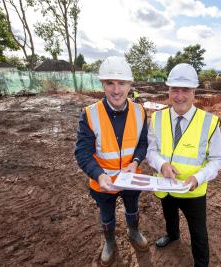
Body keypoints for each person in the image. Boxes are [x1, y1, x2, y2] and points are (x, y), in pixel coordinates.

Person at [146, 63, 221, 267]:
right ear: (169, 91)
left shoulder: (209, 122)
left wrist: (198, 178)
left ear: (194, 92)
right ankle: (172, 235)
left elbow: (218, 159)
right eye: (175, 89)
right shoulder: (157, 118)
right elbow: (151, 151)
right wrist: (162, 165)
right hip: (165, 186)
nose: (179, 95)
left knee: (198, 232)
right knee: (169, 215)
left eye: (185, 90)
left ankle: (201, 264)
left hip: (193, 191)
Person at [75, 56, 149, 266]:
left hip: (130, 177)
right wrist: (99, 175)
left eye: (122, 83)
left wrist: (135, 163)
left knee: (132, 207)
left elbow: (143, 143)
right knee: (106, 214)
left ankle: (133, 232)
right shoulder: (89, 114)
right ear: (103, 85)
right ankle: (109, 241)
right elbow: (82, 152)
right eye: (110, 83)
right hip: (103, 181)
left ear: (129, 85)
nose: (116, 90)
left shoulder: (140, 111)